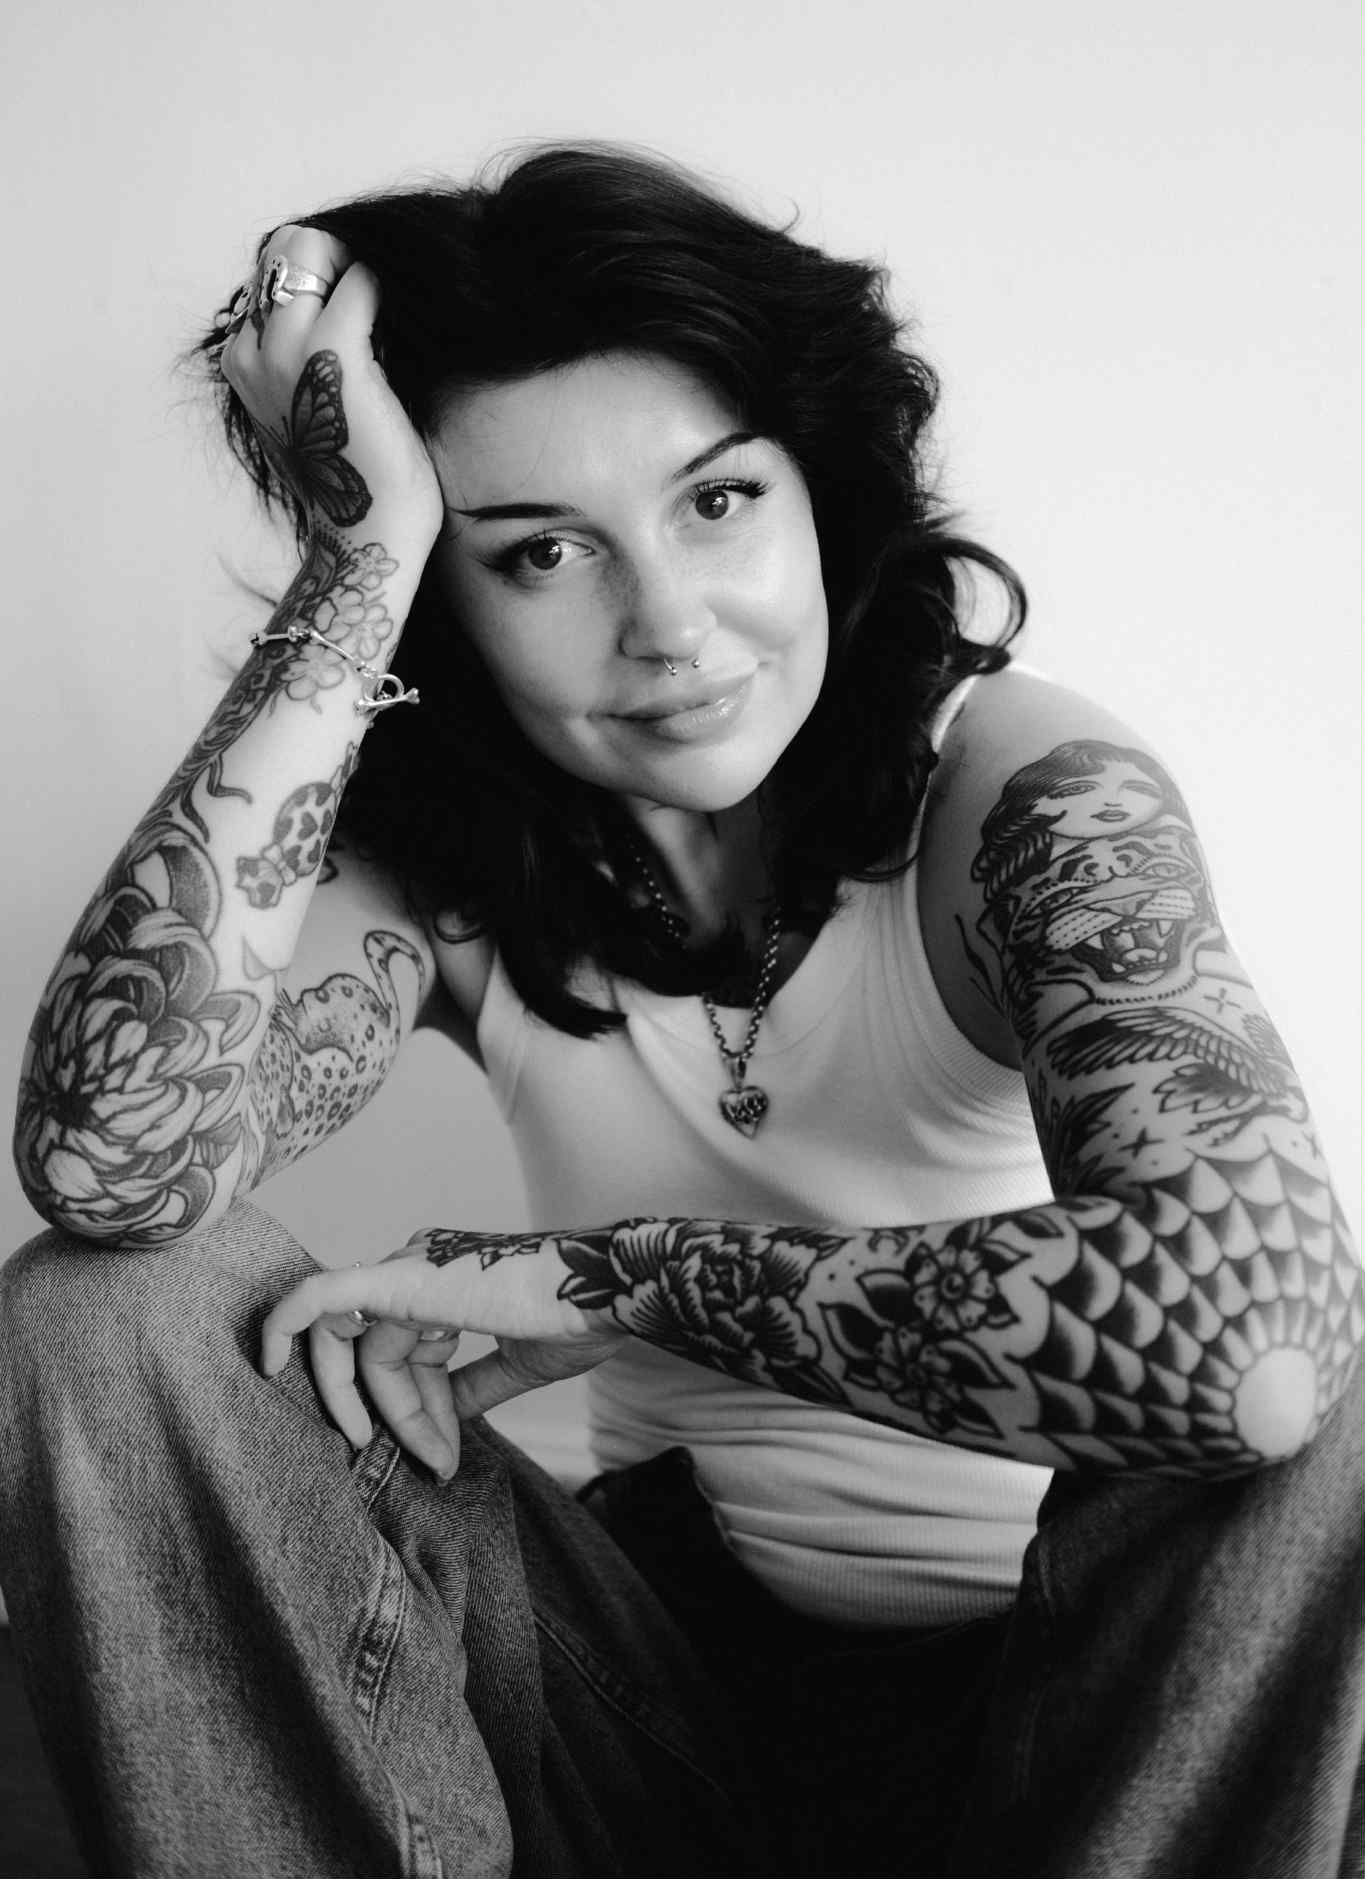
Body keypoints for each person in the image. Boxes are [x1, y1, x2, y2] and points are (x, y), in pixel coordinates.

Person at [1, 145, 1360, 1879]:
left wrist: (612, 1277)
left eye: (716, 503)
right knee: (104, 1310)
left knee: (1312, 1353)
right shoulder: (444, 873)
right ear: (446, 604)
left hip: (1106, 1722)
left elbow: (1250, 1362)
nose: (666, 627)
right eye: (538, 552)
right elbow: (112, 1171)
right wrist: (354, 567)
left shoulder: (1014, 787)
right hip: (652, 1711)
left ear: (819, 492)